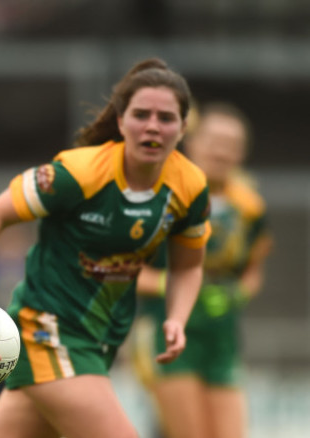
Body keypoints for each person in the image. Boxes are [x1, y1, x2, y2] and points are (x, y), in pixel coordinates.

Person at [0, 57, 211, 438]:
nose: (152, 126)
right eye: (141, 114)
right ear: (120, 120)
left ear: (182, 128)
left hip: (101, 340)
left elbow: (188, 266)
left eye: (166, 118)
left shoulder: (189, 186)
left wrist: (177, 317)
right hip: (48, 331)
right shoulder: (78, 174)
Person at [131, 102, 273, 438]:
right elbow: (126, 269)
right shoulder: (161, 197)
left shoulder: (250, 208)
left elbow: (253, 271)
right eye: (214, 142)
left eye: (232, 145)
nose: (222, 152)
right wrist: (176, 284)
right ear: (192, 143)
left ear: (242, 154)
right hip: (167, 334)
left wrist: (236, 293)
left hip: (221, 338)